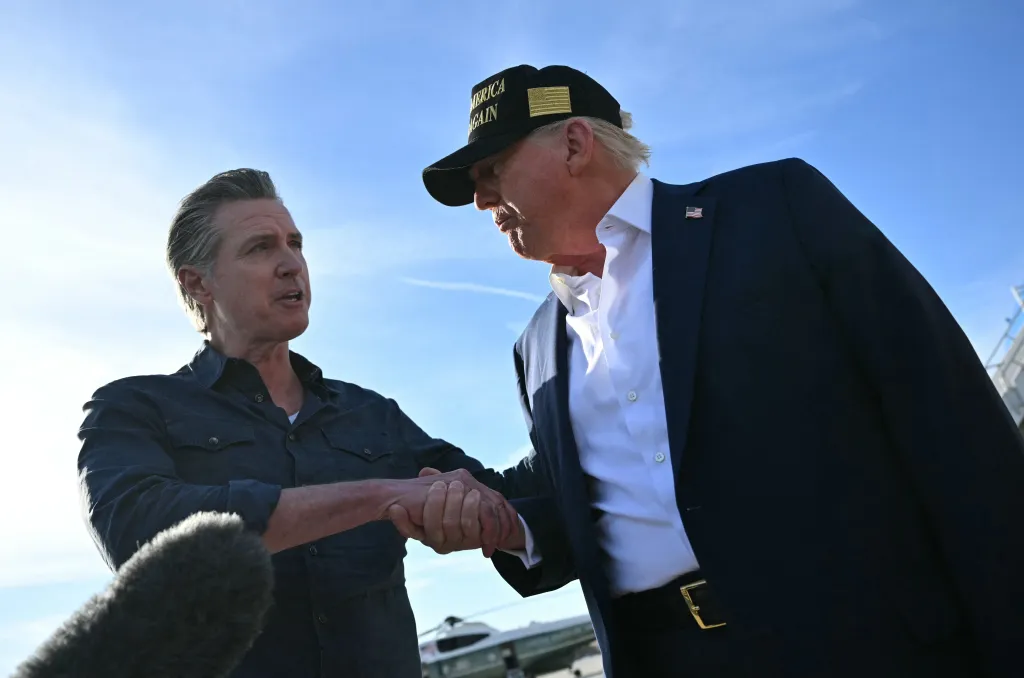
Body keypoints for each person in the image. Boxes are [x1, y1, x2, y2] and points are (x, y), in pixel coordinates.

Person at [401, 64, 1024, 677]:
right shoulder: (535, 346)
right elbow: (573, 511)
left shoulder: (774, 210)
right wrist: (485, 517)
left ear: (573, 142)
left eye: (492, 169)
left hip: (866, 641)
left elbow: (952, 422)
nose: (481, 200)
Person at [76, 169, 517, 678]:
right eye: (260, 248)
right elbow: (140, 535)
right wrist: (377, 497)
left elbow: (503, 500)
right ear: (198, 282)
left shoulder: (373, 415)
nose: (290, 265)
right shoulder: (133, 407)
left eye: (295, 244)